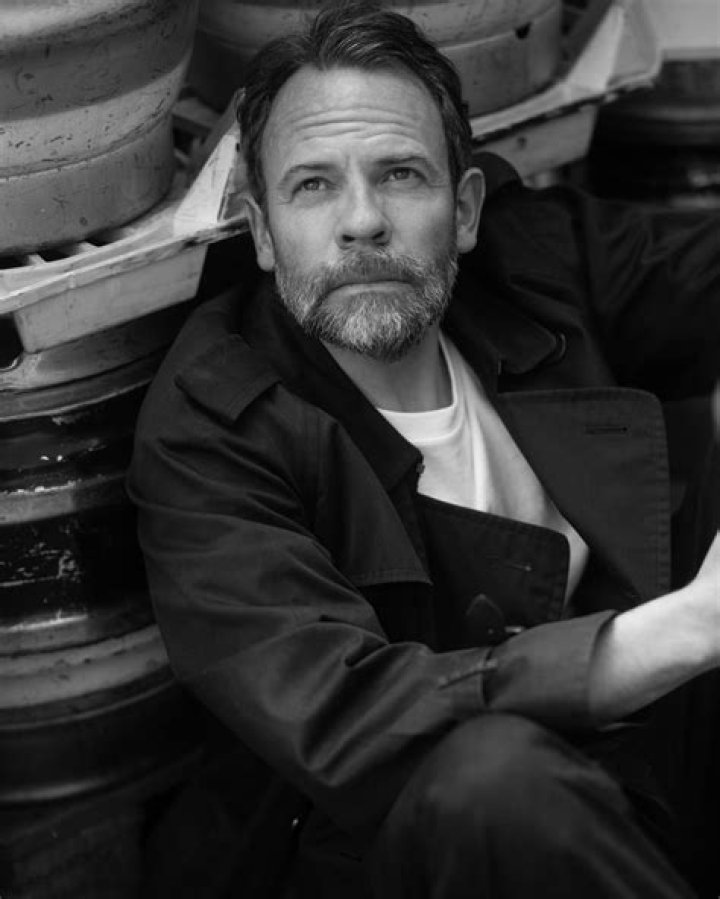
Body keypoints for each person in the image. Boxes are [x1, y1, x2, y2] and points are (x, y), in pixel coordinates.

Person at [128, 3, 720, 896]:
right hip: (390, 845)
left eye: (400, 174)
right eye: (313, 185)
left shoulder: (529, 263)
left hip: (641, 764)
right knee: (494, 780)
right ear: (261, 232)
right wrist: (682, 630)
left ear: (466, 207)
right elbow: (347, 718)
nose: (363, 221)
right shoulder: (210, 422)